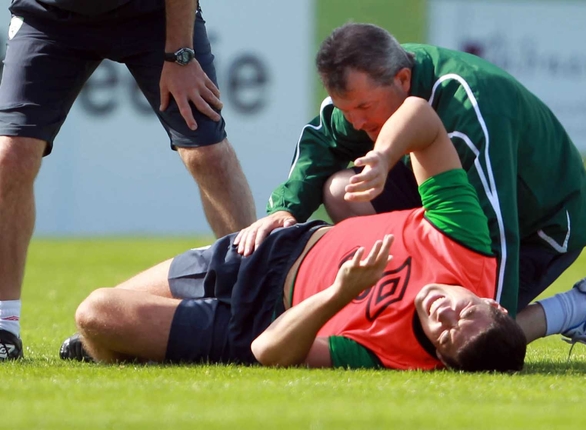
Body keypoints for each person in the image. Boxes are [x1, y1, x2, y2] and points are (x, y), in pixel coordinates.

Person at [234, 23, 586, 367]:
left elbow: (500, 231)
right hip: (460, 206)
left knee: (470, 336)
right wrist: (284, 209)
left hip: (543, 223)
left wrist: (480, 337)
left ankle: (584, 307)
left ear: (403, 80)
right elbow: (322, 140)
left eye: (363, 108)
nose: (355, 122)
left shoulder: (470, 109)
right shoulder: (369, 91)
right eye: (346, 110)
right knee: (342, 190)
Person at [61, 97, 528, 372]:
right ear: (493, 303)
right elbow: (420, 115)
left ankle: (132, 346)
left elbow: (267, 350)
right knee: (99, 326)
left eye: (445, 334)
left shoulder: (394, 353)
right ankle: (128, 347)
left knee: (96, 313)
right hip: (266, 248)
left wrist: (340, 292)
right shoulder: (466, 245)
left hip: (255, 322)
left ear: (440, 359)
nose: (445, 313)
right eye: (465, 311)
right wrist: (385, 156)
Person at [0, 0, 257, 360]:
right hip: (50, 16)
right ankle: (4, 326)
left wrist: (181, 55)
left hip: (153, 15)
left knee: (207, 154)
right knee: (9, 157)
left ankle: (260, 302)